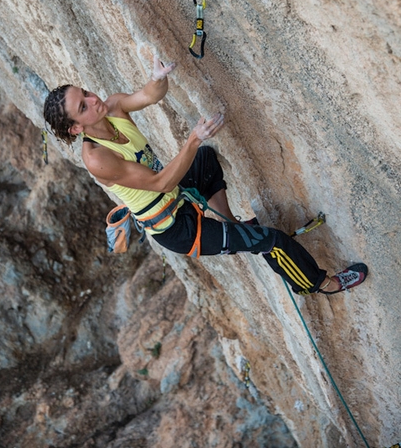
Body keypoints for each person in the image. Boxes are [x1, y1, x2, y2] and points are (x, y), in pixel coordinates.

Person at [43, 55, 368, 296]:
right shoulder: (98, 158)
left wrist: (159, 77)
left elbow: (149, 95)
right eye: (82, 106)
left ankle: (229, 223)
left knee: (205, 160)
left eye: (85, 92)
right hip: (176, 228)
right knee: (272, 241)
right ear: (75, 128)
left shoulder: (112, 107)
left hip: (177, 197)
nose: (92, 99)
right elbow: (161, 183)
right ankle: (321, 283)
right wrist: (193, 137)